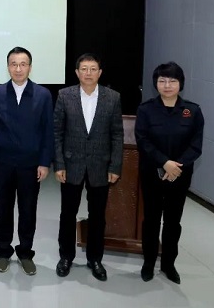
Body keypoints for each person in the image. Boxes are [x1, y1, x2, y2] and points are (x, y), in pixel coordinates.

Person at [53, 53, 123, 281]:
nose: (88, 73)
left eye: (93, 69)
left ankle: (95, 259)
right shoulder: (65, 95)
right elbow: (57, 133)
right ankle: (66, 257)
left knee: (98, 216)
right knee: (67, 214)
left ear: (100, 73)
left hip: (100, 167)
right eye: (84, 69)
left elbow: (117, 134)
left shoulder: (113, 98)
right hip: (71, 165)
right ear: (77, 72)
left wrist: (115, 166)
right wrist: (59, 164)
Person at [0, 46, 54, 275]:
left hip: (30, 164)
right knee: (3, 209)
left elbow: (47, 131)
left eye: (23, 64)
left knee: (28, 210)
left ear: (30, 67)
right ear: (8, 67)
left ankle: (25, 252)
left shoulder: (43, 95)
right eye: (14, 64)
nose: (18, 69)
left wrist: (44, 162)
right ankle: (3, 252)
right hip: (3, 162)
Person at [135, 62, 204, 284]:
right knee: (151, 220)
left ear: (180, 84)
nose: (167, 85)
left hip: (179, 176)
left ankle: (168, 264)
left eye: (172, 81)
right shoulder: (145, 110)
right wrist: (165, 163)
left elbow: (196, 145)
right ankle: (148, 263)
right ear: (156, 83)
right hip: (152, 174)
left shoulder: (192, 111)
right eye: (162, 80)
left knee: (173, 222)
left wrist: (176, 167)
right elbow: (142, 140)